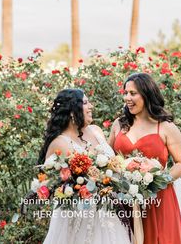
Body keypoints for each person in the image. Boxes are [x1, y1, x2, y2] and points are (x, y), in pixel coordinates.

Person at [38, 88, 132, 244]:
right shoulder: (60, 143)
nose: (91, 107)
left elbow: (114, 163)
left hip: (108, 211)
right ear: (72, 110)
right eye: (86, 103)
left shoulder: (96, 131)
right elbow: (49, 185)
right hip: (80, 217)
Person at [108, 73, 181, 244]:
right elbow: (109, 159)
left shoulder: (166, 127)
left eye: (132, 93)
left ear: (147, 94)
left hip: (158, 200)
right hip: (124, 199)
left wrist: (157, 180)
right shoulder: (119, 124)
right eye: (125, 93)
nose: (127, 98)